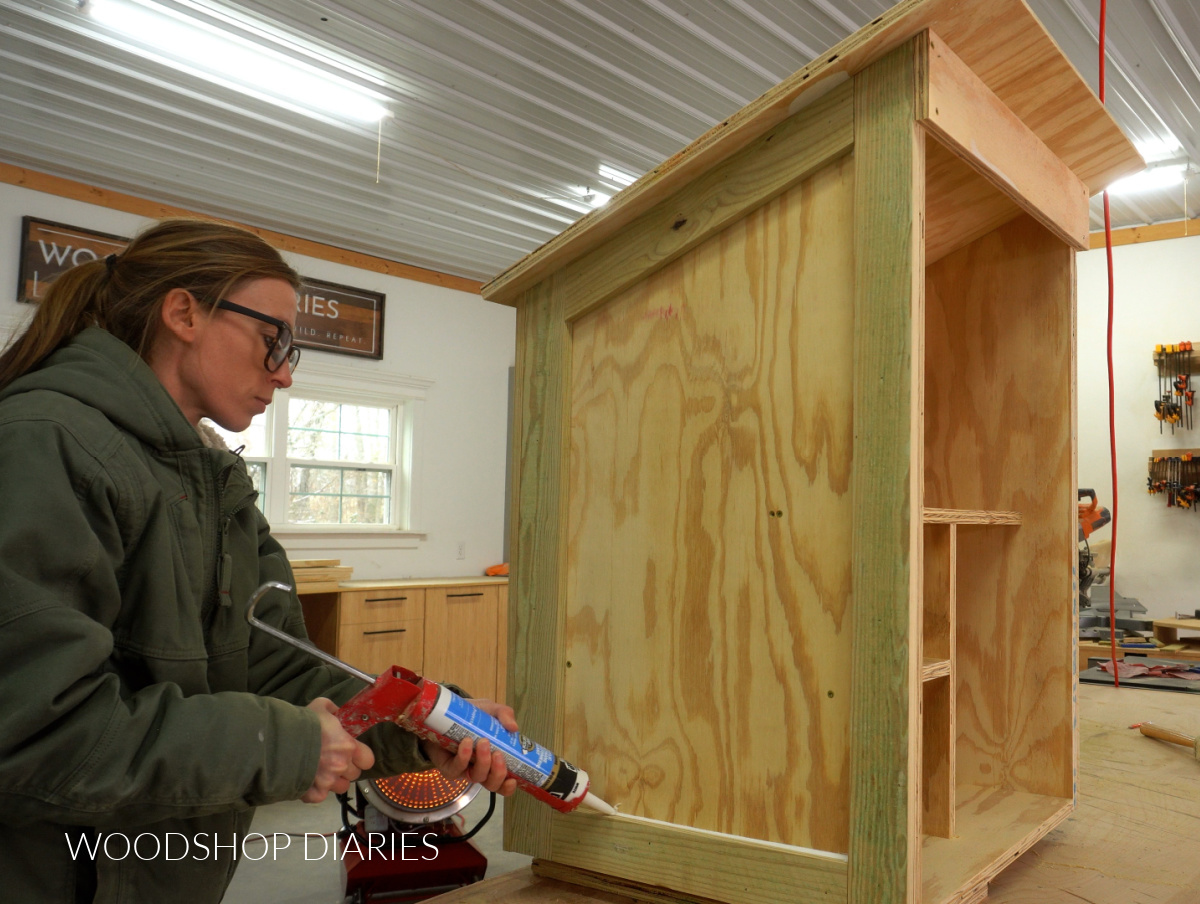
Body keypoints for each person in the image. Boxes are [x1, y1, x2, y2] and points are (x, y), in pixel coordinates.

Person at [0, 218, 517, 903]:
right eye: (273, 338)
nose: (284, 372)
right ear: (183, 312)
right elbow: (37, 732)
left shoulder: (213, 476)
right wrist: (283, 746)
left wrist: (422, 727)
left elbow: (271, 666)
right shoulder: (45, 444)